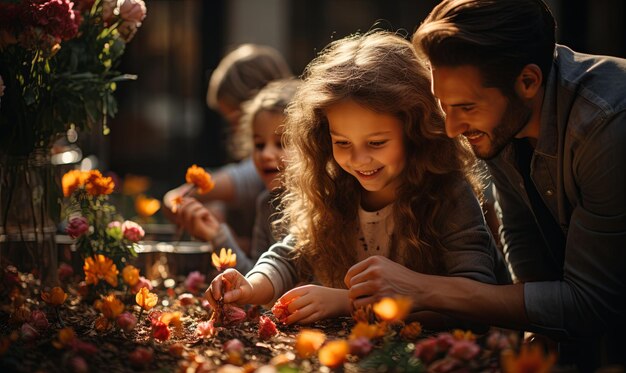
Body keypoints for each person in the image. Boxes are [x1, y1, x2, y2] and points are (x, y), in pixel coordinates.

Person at [345, 0, 626, 370]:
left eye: (466, 107)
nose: (452, 129)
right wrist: (535, 342)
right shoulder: (502, 120)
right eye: (443, 105)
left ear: (528, 81)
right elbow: (528, 252)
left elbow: (593, 303)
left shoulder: (606, 126)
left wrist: (423, 288)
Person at [205, 31, 511, 328]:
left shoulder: (448, 195)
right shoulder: (334, 186)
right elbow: (289, 256)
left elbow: (475, 300)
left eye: (376, 143)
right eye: (342, 143)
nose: (359, 160)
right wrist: (251, 285)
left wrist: (347, 302)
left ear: (416, 134)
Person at [164, 44, 293, 253]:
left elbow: (176, 198)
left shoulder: (258, 169)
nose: (236, 132)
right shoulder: (265, 196)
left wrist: (223, 236)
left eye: (235, 121)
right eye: (259, 144)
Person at [175, 79, 301, 274]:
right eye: (259, 145)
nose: (266, 154)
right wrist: (217, 235)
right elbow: (255, 279)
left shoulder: (324, 206)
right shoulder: (266, 204)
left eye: (281, 143)